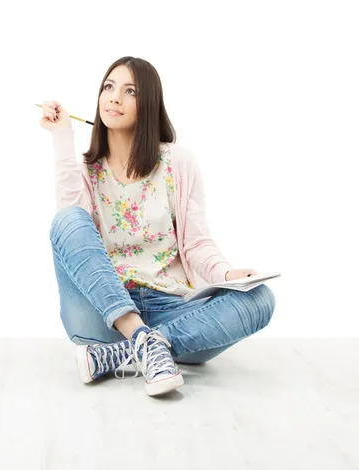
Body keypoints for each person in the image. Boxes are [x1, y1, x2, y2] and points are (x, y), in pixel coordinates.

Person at [39, 56, 276, 397]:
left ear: (148, 103)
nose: (114, 97)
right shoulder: (87, 171)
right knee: (67, 219)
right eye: (109, 87)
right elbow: (72, 234)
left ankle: (137, 349)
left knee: (260, 299)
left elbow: (196, 243)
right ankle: (139, 337)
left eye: (129, 91)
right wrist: (62, 137)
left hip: (172, 310)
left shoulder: (178, 163)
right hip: (104, 313)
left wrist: (227, 275)